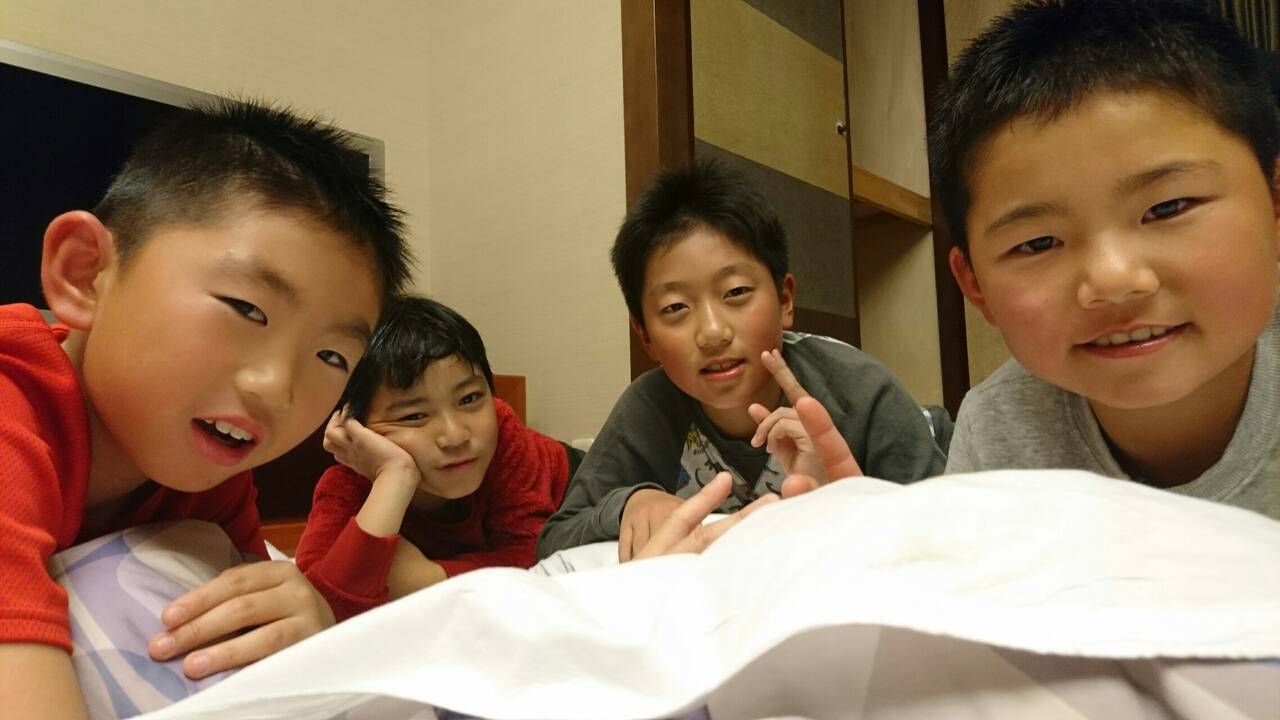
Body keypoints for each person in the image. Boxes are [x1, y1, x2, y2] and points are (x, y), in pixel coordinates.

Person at [0, 98, 413, 718]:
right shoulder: (12, 405)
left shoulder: (204, 474)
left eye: (332, 356)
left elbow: (251, 643)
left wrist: (307, 623)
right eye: (246, 309)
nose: (277, 389)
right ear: (85, 274)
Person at [933, 0, 1279, 519]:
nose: (1113, 280)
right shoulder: (997, 431)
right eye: (1038, 243)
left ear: (1275, 205)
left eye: (1167, 208)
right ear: (976, 286)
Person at [538, 161, 946, 561]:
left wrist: (854, 508)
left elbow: (949, 529)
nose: (712, 332)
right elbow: (555, 539)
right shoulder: (649, 409)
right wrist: (630, 504)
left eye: (735, 293)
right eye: (676, 307)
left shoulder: (859, 392)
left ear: (785, 300)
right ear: (645, 335)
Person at [294, 296, 580, 621]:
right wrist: (395, 475)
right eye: (414, 415)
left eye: (469, 398)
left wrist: (428, 578)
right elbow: (320, 603)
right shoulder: (347, 486)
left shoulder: (506, 440)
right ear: (354, 428)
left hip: (581, 486)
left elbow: (529, 556)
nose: (455, 436)